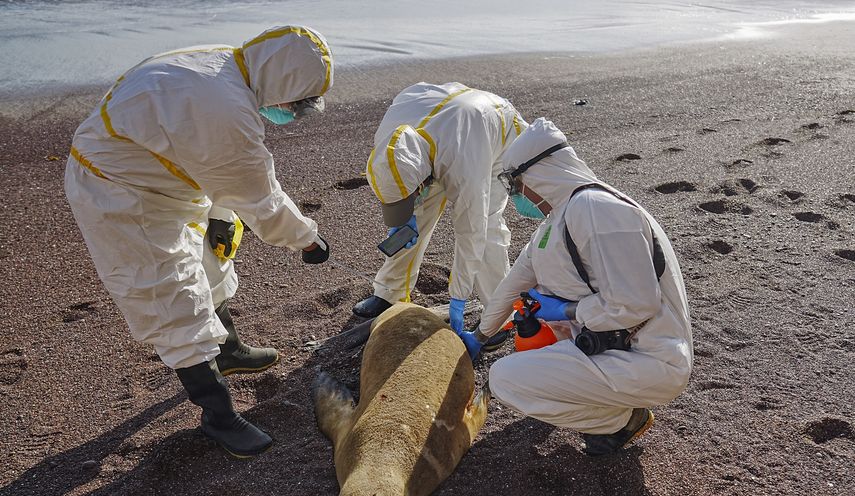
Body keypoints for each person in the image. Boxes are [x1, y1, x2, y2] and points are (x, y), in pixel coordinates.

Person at [64, 26, 334, 458]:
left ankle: (227, 349)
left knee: (213, 260)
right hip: (122, 193)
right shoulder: (224, 110)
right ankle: (219, 416)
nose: (292, 111)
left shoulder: (225, 64)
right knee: (170, 294)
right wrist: (307, 240)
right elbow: (260, 198)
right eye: (296, 102)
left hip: (168, 174)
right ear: (283, 81)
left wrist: (221, 214)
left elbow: (215, 165)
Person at [461, 118, 693, 456]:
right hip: (611, 344)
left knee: (505, 379)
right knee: (532, 345)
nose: (517, 196)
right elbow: (514, 284)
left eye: (516, 184)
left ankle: (620, 420)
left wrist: (567, 310)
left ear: (540, 173)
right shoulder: (557, 220)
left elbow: (636, 304)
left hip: (652, 359)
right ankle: (610, 408)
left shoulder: (599, 210)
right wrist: (479, 336)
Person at [353, 82, 527, 349]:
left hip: (493, 136)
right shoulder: (390, 141)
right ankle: (390, 292)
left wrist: (458, 296)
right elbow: (400, 178)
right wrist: (402, 216)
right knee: (416, 216)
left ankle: (498, 315)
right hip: (447, 129)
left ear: (424, 178)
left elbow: (472, 230)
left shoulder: (465, 162)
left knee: (488, 227)